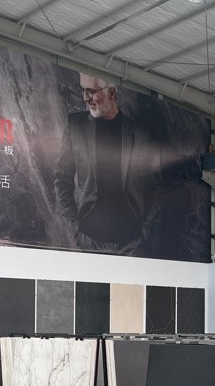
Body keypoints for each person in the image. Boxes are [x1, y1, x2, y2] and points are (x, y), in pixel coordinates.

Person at [53, 73, 162, 255]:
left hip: (131, 243)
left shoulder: (140, 133)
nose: (86, 98)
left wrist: (145, 233)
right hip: (89, 240)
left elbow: (156, 186)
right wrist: (75, 229)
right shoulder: (76, 126)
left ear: (112, 93)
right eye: (83, 91)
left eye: (91, 91)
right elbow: (61, 178)